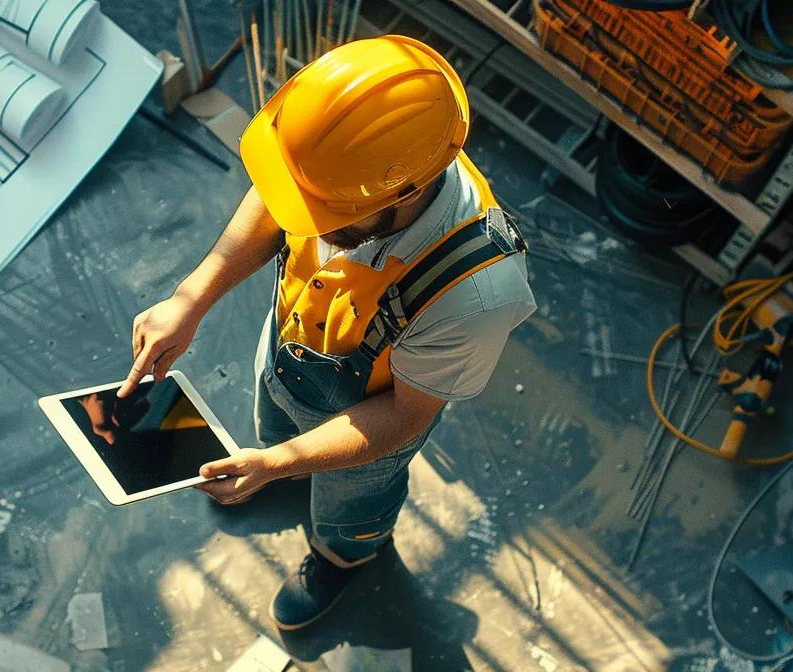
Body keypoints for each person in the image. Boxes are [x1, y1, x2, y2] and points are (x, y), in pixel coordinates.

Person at [120, 35, 536, 630]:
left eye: (324, 214)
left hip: (366, 425)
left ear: (404, 195)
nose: (306, 223)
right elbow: (277, 201)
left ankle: (342, 557)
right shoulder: (354, 158)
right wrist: (190, 299)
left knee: (349, 506)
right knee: (273, 433)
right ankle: (283, 472)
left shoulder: (472, 293)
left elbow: (403, 417)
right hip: (292, 351)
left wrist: (278, 462)